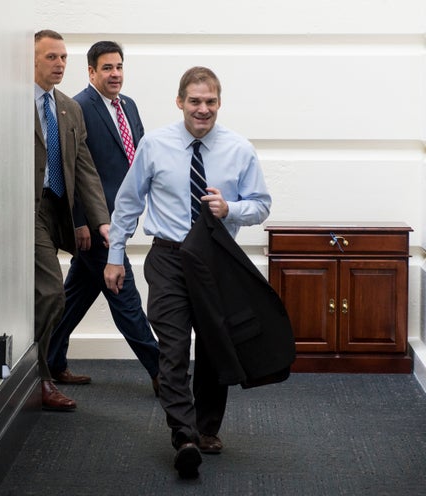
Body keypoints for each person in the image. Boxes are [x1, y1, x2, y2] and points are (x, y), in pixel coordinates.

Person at [104, 67, 272, 478]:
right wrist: (115, 254)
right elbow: (129, 203)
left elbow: (262, 204)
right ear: (180, 101)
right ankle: (184, 434)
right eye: (194, 101)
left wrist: (231, 208)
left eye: (210, 102)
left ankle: (207, 428)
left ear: (219, 103)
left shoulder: (239, 149)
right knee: (174, 345)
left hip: (216, 257)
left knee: (215, 347)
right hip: (169, 257)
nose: (203, 109)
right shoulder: (155, 144)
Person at [47, 41, 160, 396]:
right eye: (107, 68)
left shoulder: (128, 105)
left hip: (120, 218)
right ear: (92, 72)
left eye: (119, 67)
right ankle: (164, 373)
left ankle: (51, 363)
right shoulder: (79, 107)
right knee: (124, 296)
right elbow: (72, 168)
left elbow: (138, 158)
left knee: (74, 297)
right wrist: (79, 220)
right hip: (98, 225)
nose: (115, 74)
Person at [34, 30, 111, 411]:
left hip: (56, 211)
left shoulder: (67, 107)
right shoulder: (10, 102)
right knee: (52, 292)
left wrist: (101, 220)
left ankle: (38, 371)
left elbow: (85, 168)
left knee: (54, 297)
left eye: (63, 57)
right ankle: (41, 378)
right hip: (26, 210)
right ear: (31, 60)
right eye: (51, 57)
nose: (60, 64)